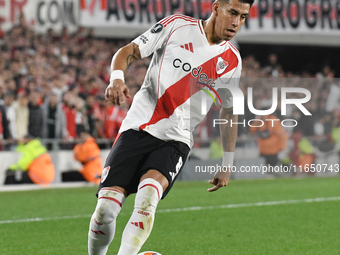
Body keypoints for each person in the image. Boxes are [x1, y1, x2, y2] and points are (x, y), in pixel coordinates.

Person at [88, 0, 253, 254]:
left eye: (243, 17)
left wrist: (227, 163)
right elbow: (128, 51)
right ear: (216, 7)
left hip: (176, 140)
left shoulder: (232, 61)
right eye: (232, 13)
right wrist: (117, 79)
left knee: (147, 200)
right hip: (139, 127)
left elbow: (229, 112)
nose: (236, 22)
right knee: (106, 210)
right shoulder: (177, 26)